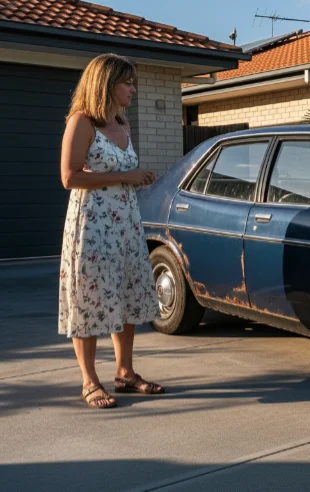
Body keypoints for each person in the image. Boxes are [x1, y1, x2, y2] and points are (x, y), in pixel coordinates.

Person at [59, 53, 164, 409]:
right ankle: (89, 381)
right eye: (128, 83)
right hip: (92, 228)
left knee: (127, 295)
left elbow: (122, 173)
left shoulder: (123, 123)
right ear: (106, 84)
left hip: (125, 225)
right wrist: (124, 176)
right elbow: (69, 177)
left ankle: (125, 373)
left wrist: (139, 177)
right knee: (89, 300)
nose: (133, 89)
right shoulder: (82, 122)